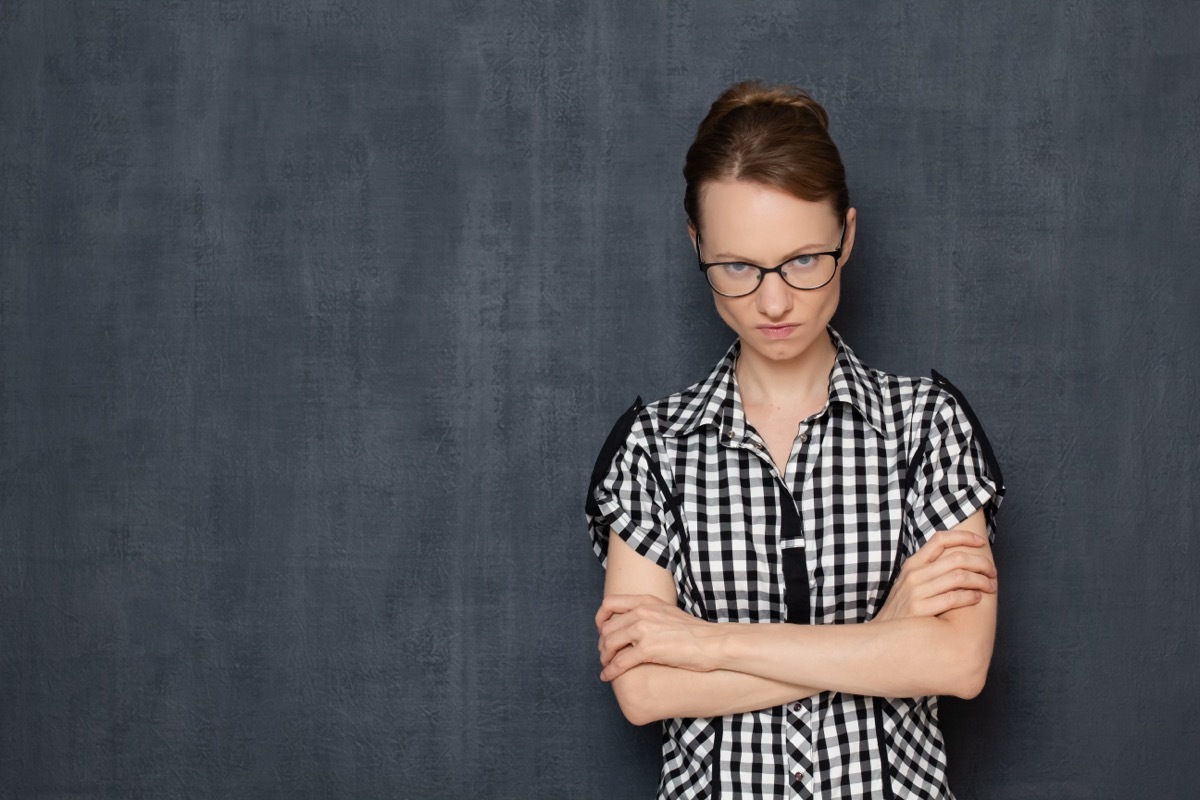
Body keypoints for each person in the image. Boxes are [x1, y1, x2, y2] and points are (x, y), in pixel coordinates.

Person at [585, 81, 1005, 799]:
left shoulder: (928, 426)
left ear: (847, 236)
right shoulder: (652, 449)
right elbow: (646, 689)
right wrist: (884, 636)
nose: (773, 302)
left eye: (803, 260)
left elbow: (958, 664)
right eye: (737, 268)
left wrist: (709, 644)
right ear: (697, 246)